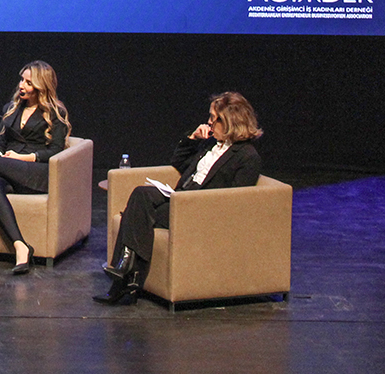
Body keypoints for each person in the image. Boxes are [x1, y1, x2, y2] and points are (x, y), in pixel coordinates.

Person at [94, 91, 263, 305]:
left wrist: (193, 200)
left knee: (135, 214)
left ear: (231, 121)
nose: (209, 123)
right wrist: (192, 139)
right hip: (181, 196)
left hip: (199, 209)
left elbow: (235, 201)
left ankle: (124, 278)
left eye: (214, 118)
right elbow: (178, 162)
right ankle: (127, 274)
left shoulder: (247, 157)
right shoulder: (211, 144)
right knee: (141, 194)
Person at [0, 61, 71, 274]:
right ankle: (21, 246)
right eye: (22, 80)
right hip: (12, 169)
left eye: (28, 83)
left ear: (41, 86)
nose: (22, 85)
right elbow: (0, 141)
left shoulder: (55, 113)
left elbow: (56, 151)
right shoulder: (11, 109)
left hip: (37, 172)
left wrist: (24, 158)